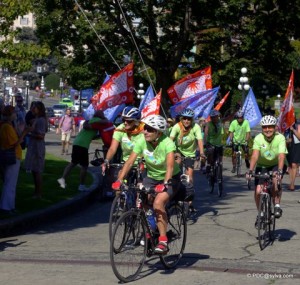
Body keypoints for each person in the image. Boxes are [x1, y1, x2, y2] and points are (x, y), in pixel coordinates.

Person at [112, 115, 181, 254]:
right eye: (145, 128)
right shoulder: (142, 141)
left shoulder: (167, 143)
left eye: (149, 129)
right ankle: (151, 228)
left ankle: (163, 241)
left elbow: (169, 166)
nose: (145, 132)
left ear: (158, 132)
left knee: (158, 203)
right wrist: (120, 180)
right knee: (141, 198)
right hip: (152, 177)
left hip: (171, 177)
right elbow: (130, 162)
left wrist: (166, 183)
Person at [57, 110, 114, 192]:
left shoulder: (92, 121)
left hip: (77, 142)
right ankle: (81, 185)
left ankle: (62, 179)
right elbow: (106, 121)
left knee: (73, 163)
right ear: (100, 115)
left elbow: (92, 134)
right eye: (103, 114)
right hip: (82, 145)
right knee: (84, 166)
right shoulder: (98, 121)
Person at [246, 115, 287, 226]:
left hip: (276, 164)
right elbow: (255, 156)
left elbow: (281, 156)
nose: (268, 129)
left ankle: (277, 205)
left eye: (270, 127)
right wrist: (250, 170)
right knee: (258, 191)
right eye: (265, 127)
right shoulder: (258, 138)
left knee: (275, 180)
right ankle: (261, 213)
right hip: (262, 165)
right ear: (262, 128)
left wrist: (279, 171)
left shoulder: (280, 138)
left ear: (275, 128)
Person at [169, 108, 205, 212]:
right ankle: (174, 193)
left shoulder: (196, 127)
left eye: (189, 119)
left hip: (190, 154)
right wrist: (172, 152)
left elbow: (199, 140)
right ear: (181, 119)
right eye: (184, 118)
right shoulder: (177, 126)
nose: (186, 121)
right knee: (175, 170)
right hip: (178, 151)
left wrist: (202, 152)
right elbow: (170, 140)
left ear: (192, 120)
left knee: (190, 177)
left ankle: (189, 202)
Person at [0, 106, 28, 213]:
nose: (15, 114)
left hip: (12, 155)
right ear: (9, 114)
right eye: (14, 113)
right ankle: (6, 206)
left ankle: (9, 205)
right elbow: (15, 143)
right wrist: (25, 133)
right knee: (10, 182)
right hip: (12, 155)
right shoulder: (7, 127)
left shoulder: (7, 125)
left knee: (10, 182)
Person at [102, 106, 144, 173]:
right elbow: (112, 148)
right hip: (125, 163)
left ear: (136, 121)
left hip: (142, 164)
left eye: (129, 121)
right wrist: (106, 160)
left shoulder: (144, 130)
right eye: (123, 120)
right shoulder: (120, 129)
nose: (125, 123)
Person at [24, 101, 48, 199]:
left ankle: (38, 193)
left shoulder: (41, 120)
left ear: (39, 109)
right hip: (34, 145)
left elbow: (41, 136)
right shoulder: (37, 118)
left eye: (35, 108)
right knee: (34, 170)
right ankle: (36, 192)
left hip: (38, 147)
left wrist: (29, 133)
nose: (33, 109)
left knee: (37, 170)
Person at [204, 110, 224, 175]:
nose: (214, 118)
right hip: (211, 143)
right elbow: (205, 134)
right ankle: (209, 165)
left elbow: (229, 117)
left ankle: (219, 168)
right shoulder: (209, 124)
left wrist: (235, 112)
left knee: (220, 159)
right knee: (210, 154)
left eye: (216, 117)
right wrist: (205, 143)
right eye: (213, 117)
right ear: (211, 118)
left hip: (219, 144)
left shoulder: (220, 122)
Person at [286, 117, 300, 191]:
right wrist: (287, 141)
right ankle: (291, 183)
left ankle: (292, 184)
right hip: (289, 146)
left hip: (296, 146)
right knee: (290, 165)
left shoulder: (298, 125)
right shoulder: (286, 126)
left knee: (294, 164)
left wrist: (293, 130)